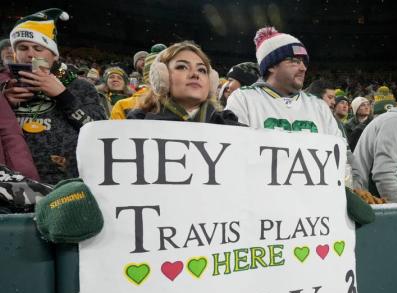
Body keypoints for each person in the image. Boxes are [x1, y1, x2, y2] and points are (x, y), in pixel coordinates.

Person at [2, 8, 106, 184]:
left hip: (67, 185)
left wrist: (64, 96)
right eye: (23, 48)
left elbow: (100, 134)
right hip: (12, 187)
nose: (30, 54)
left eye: (38, 48)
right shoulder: (4, 88)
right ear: (15, 54)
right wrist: (3, 105)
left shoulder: (81, 87)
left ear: (54, 54)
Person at [225, 27, 351, 162]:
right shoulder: (243, 99)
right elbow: (233, 154)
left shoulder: (318, 105)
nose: (303, 68)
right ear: (271, 65)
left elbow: (342, 155)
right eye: (295, 61)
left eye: (304, 62)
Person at [128, 41, 236, 125]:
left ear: (211, 82)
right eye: (182, 67)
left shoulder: (231, 125)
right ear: (161, 77)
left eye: (202, 70)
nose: (195, 74)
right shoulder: (136, 123)